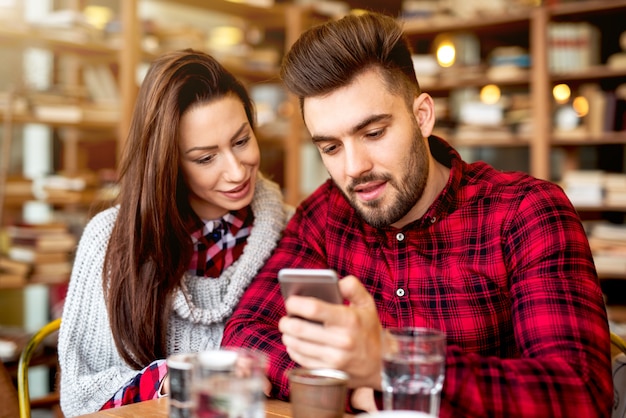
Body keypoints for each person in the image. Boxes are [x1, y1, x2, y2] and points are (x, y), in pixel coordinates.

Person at [221, 12, 614, 417]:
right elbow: (245, 338)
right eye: (331, 147)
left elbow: (578, 394)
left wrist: (389, 360)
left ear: (422, 115)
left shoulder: (527, 211)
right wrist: (361, 387)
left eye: (373, 133)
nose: (354, 168)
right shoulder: (323, 215)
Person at [57, 49, 292, 417]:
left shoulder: (295, 232)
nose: (236, 171)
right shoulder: (110, 241)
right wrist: (173, 379)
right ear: (167, 162)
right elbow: (79, 397)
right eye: (205, 158)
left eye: (242, 140)